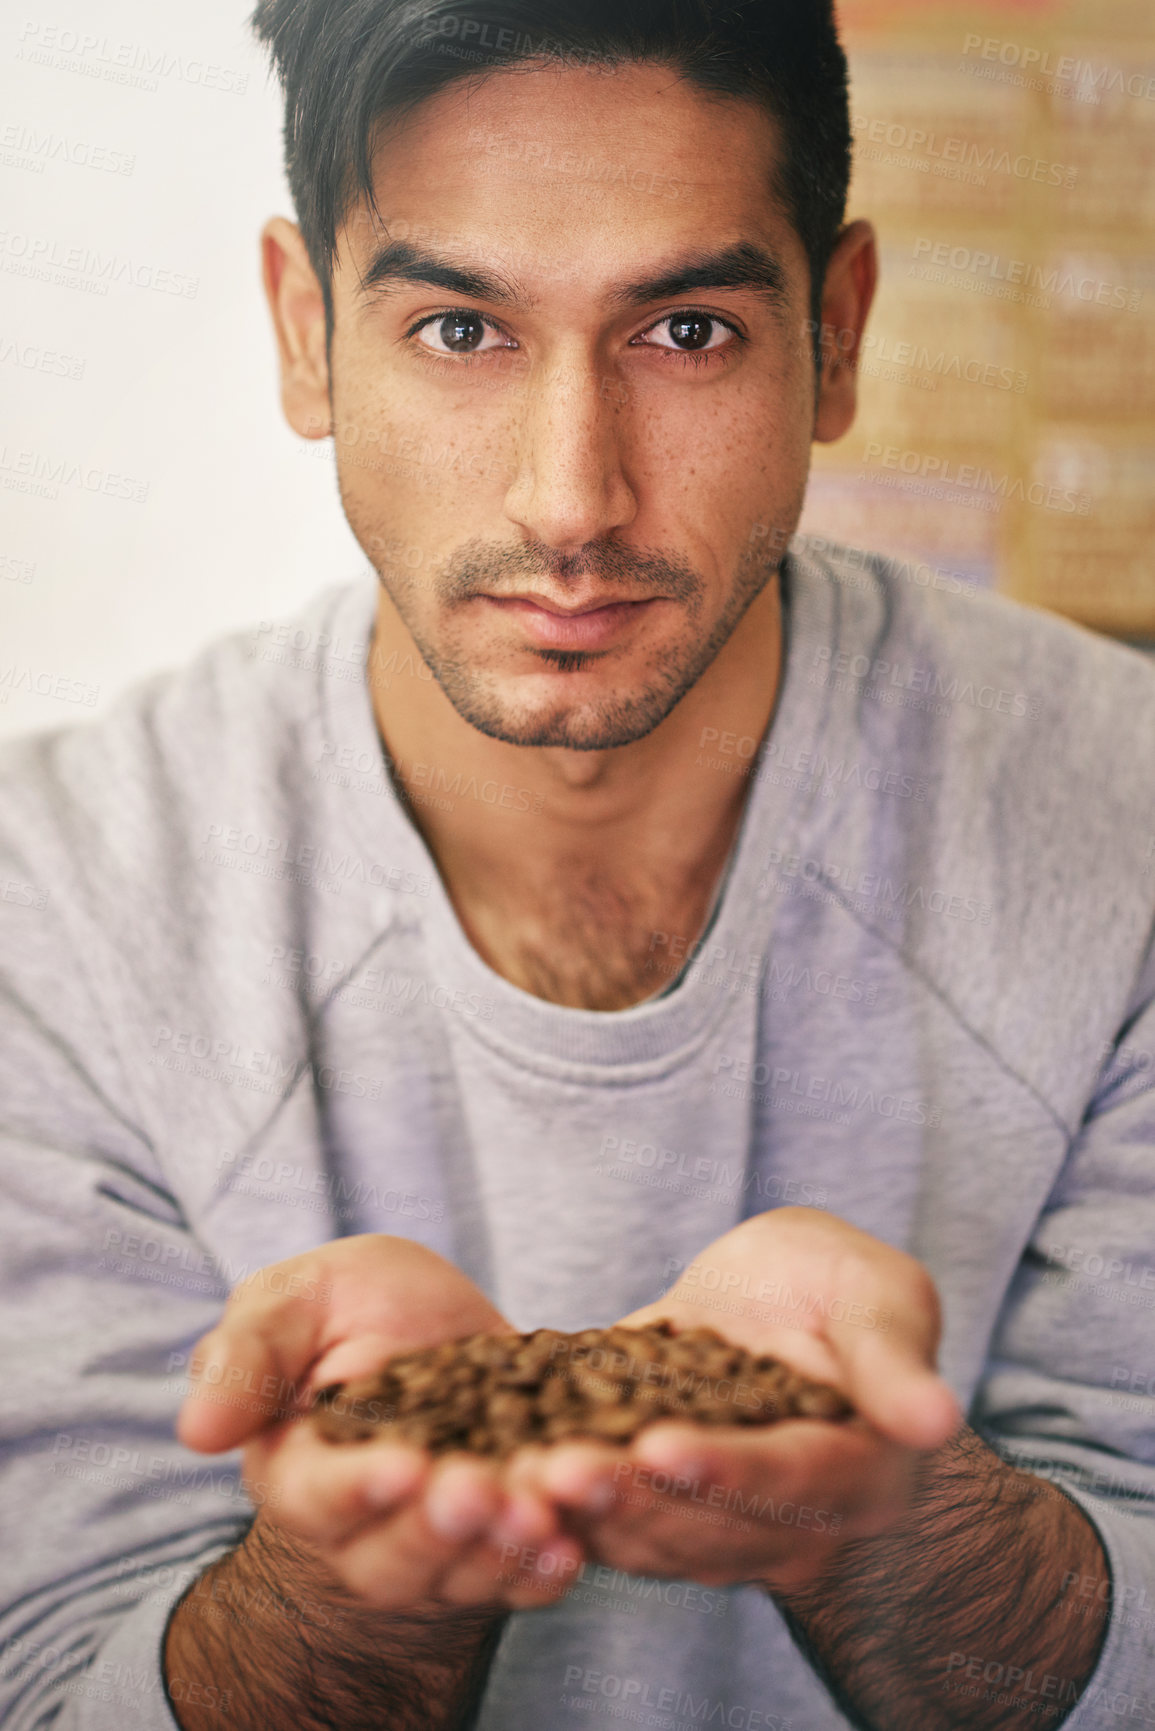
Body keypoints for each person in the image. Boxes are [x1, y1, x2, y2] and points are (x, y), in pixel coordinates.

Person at [2, 1, 1154, 1727]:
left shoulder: (1127, 823)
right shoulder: (60, 903)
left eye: (686, 328)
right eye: (460, 326)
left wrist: (888, 1526)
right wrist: (343, 1588)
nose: (571, 499)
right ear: (306, 333)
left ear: (835, 338)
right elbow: (49, 1676)